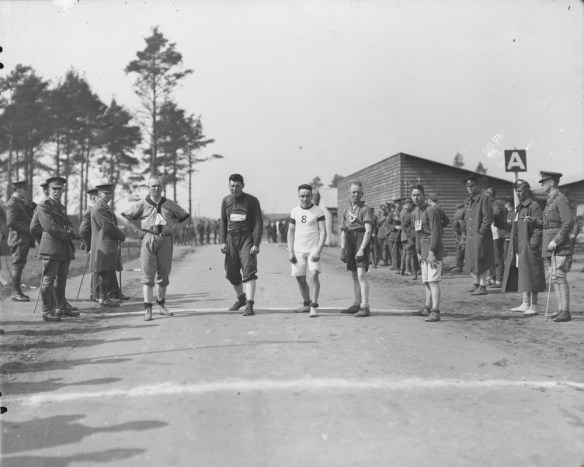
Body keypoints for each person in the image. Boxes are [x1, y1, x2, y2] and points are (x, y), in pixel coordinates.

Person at [122, 175, 190, 321]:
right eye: (153, 186)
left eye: (159, 185)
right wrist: (137, 231)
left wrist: (175, 229)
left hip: (165, 239)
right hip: (148, 239)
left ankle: (161, 305)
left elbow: (185, 217)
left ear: (162, 187)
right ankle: (148, 309)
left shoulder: (169, 204)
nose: (156, 188)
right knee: (147, 275)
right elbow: (125, 216)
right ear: (148, 188)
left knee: (163, 275)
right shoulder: (142, 204)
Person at [531, 171, 574, 322]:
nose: (541, 184)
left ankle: (566, 311)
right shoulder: (550, 200)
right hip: (550, 245)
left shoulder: (560, 199)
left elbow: (568, 222)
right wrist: (536, 222)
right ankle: (561, 309)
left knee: (560, 276)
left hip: (558, 245)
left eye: (543, 182)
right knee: (555, 277)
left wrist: (557, 240)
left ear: (552, 183)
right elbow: (550, 224)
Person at [36, 176, 80, 321]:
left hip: (63, 248)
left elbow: (66, 224)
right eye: (54, 189)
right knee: (48, 279)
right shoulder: (43, 205)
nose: (57, 192)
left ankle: (60, 307)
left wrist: (73, 232)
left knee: (61, 279)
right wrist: (67, 234)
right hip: (51, 248)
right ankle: (47, 311)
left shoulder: (59, 206)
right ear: (48, 190)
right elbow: (51, 227)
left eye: (60, 189)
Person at [219, 173, 263, 316]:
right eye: (232, 186)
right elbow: (223, 222)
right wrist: (222, 241)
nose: (234, 189)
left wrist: (256, 243)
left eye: (237, 186)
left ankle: (249, 305)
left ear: (243, 185)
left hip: (246, 239)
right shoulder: (226, 201)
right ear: (228, 186)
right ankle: (241, 299)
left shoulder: (252, 201)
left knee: (249, 272)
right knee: (231, 273)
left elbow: (258, 222)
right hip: (231, 238)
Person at [502, 180, 546, 316]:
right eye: (517, 191)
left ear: (527, 190)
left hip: (529, 247)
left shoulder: (534, 206)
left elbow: (539, 227)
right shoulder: (519, 207)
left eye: (520, 190)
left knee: (533, 275)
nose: (518, 193)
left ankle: (534, 305)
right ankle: (525, 303)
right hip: (519, 246)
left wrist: (533, 244)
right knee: (524, 274)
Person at [287, 184, 327, 318]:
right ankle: (306, 303)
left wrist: (318, 250)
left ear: (312, 196)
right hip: (298, 250)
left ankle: (314, 306)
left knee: (314, 274)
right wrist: (290, 251)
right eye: (302, 196)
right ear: (298, 196)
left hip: (313, 250)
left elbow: (323, 232)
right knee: (300, 278)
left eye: (308, 196)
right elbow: (290, 232)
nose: (305, 198)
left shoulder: (318, 211)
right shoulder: (295, 211)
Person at [410, 185, 443, 322]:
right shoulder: (415, 212)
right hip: (423, 250)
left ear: (424, 196)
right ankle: (427, 307)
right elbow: (417, 233)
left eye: (418, 195)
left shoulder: (431, 211)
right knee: (426, 282)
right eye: (413, 195)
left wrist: (432, 251)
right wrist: (418, 251)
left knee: (433, 281)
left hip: (432, 249)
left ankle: (436, 311)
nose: (416, 197)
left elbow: (436, 232)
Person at [90, 184, 127, 308]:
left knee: (106, 271)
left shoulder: (105, 207)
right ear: (99, 194)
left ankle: (104, 297)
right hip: (103, 243)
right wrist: (120, 235)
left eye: (110, 193)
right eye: (106, 193)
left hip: (107, 243)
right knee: (103, 271)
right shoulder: (99, 208)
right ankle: (103, 298)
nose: (108, 195)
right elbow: (107, 226)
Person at [340, 181, 373, 317]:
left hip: (360, 239)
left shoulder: (366, 209)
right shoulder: (346, 210)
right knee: (354, 275)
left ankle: (365, 306)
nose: (356, 194)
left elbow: (368, 231)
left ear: (362, 193)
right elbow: (343, 231)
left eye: (358, 192)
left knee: (361, 274)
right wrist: (343, 249)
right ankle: (356, 303)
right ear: (349, 193)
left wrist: (362, 249)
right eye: (353, 192)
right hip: (349, 239)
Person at [463, 175, 495, 295]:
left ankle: (483, 285)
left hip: (480, 235)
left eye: (472, 186)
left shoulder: (484, 198)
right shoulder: (471, 200)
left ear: (477, 186)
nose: (470, 188)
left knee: (481, 260)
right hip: (472, 235)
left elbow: (488, 218)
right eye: (468, 186)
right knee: (473, 260)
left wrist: (481, 232)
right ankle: (476, 283)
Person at [6, 180, 34, 301]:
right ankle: (15, 293)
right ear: (18, 189)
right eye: (25, 189)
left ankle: (18, 291)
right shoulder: (13, 203)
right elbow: (10, 222)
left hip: (22, 238)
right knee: (17, 265)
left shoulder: (19, 202)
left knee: (20, 265)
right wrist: (27, 230)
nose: (27, 191)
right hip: (18, 239)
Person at [485, 186, 510, 289]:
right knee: (492, 257)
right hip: (493, 234)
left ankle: (499, 280)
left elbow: (496, 213)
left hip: (497, 234)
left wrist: (487, 217)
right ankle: (493, 278)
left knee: (497, 258)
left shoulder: (496, 204)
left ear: (491, 196)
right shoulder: (493, 204)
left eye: (487, 196)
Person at [400, 197, 417, 278]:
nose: (411, 206)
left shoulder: (404, 211)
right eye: (411, 204)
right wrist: (411, 234)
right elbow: (405, 225)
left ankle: (403, 269)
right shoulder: (406, 212)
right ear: (407, 204)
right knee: (409, 253)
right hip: (409, 234)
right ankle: (407, 270)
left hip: (407, 234)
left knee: (406, 252)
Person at [452, 203, 466, 272]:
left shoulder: (460, 215)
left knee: (461, 252)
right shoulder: (457, 216)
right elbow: (455, 227)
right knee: (459, 251)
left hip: (462, 236)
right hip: (460, 236)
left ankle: (461, 266)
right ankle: (459, 267)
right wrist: (460, 232)